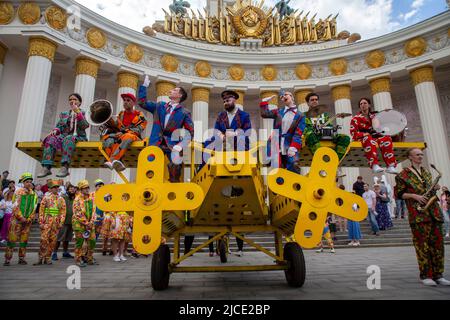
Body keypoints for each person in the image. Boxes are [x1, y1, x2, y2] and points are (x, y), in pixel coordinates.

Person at [395, 148, 450, 286]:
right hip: (418, 214)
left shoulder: (426, 171)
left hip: (434, 213)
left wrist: (435, 187)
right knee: (422, 245)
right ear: (410, 157)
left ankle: (438, 275)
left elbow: (428, 188)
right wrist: (415, 196)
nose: (421, 156)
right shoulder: (403, 174)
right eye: (417, 154)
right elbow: (399, 194)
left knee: (438, 245)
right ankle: (426, 275)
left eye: (421, 154)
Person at [138, 75, 194, 182]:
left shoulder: (184, 112)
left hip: (172, 144)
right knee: (149, 166)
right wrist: (144, 86)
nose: (171, 91)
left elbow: (190, 132)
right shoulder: (159, 106)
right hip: (155, 142)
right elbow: (142, 103)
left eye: (174, 90)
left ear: (179, 95)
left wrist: (180, 145)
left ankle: (174, 184)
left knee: (176, 164)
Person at [38, 93, 89, 178]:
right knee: (51, 139)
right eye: (70, 99)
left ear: (79, 102)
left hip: (79, 137)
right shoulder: (64, 114)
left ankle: (64, 166)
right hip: (65, 136)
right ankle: (46, 167)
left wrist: (78, 113)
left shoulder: (84, 113)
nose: (72, 101)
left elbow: (85, 125)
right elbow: (59, 126)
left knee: (68, 138)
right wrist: (55, 131)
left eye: (75, 99)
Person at [259, 91, 306, 173]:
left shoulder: (300, 115)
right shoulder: (278, 112)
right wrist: (264, 102)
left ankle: (294, 184)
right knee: (277, 167)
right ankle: (279, 184)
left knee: (293, 163)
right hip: (276, 142)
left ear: (292, 97)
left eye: (285, 95)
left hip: (290, 143)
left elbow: (298, 133)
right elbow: (265, 114)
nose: (283, 97)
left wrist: (293, 147)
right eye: (281, 97)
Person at [350, 98, 398, 174]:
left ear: (369, 105)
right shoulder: (355, 119)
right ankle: (374, 165)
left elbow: (384, 125)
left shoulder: (375, 116)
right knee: (368, 138)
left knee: (386, 138)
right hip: (363, 138)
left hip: (376, 136)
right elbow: (353, 133)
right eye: (361, 104)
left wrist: (387, 113)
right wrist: (365, 134)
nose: (363, 105)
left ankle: (391, 166)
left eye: (365, 103)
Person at [101, 94, 148, 172]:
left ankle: (112, 160)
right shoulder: (120, 114)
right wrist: (111, 125)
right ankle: (118, 162)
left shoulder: (140, 115)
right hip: (121, 137)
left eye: (128, 100)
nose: (125, 102)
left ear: (133, 103)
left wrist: (123, 133)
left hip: (135, 137)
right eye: (124, 100)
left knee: (127, 136)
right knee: (107, 139)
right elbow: (117, 127)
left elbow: (138, 130)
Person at [303, 93, 351, 163]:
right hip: (313, 137)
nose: (314, 101)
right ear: (308, 103)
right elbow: (305, 129)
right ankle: (321, 159)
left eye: (316, 99)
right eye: (312, 100)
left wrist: (329, 128)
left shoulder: (324, 115)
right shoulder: (304, 115)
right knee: (311, 135)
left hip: (325, 136)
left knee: (345, 138)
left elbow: (330, 126)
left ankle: (334, 161)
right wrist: (315, 129)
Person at [4, 173, 38, 266]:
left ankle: (21, 258)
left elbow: (34, 207)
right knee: (12, 239)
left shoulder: (34, 194)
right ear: (23, 182)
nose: (29, 183)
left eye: (30, 182)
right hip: (16, 220)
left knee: (24, 241)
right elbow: (15, 206)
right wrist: (21, 217)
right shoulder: (18, 192)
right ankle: (8, 259)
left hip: (27, 222)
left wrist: (30, 218)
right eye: (27, 182)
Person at [34, 181, 66, 266]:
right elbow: (41, 210)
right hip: (46, 221)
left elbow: (63, 212)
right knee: (44, 239)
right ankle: (40, 258)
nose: (56, 189)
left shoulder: (61, 199)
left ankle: (48, 258)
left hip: (55, 223)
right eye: (54, 187)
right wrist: (41, 221)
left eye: (57, 187)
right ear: (50, 189)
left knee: (53, 241)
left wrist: (61, 222)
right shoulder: (46, 198)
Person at [72, 180, 97, 267]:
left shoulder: (91, 198)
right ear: (80, 189)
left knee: (92, 241)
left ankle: (89, 258)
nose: (87, 189)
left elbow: (94, 211)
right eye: (84, 188)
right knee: (80, 242)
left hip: (90, 224)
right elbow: (77, 213)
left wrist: (91, 222)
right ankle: (78, 259)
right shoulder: (77, 199)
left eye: (87, 187)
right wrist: (86, 223)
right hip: (79, 224)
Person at [53, 183, 77, 260]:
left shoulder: (75, 199)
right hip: (63, 221)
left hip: (71, 221)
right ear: (67, 190)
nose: (72, 190)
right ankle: (54, 253)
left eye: (73, 189)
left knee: (67, 238)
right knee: (59, 238)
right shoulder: (62, 198)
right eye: (71, 189)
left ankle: (65, 252)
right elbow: (58, 208)